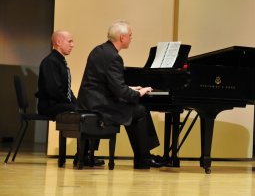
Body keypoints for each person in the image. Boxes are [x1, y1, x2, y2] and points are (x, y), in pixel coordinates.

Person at [77, 20, 165, 169]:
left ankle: (143, 157)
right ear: (122, 38)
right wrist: (139, 92)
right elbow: (120, 91)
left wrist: (130, 88)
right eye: (130, 35)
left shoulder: (99, 50)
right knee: (140, 110)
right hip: (100, 105)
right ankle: (144, 158)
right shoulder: (114, 57)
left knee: (133, 107)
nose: (132, 38)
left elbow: (106, 83)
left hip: (89, 100)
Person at [36, 30, 104, 167]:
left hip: (59, 102)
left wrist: (77, 103)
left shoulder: (59, 61)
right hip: (50, 105)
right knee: (89, 114)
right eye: (70, 41)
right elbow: (54, 90)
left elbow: (66, 89)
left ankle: (85, 154)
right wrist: (74, 106)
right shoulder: (50, 62)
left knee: (91, 111)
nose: (73, 45)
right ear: (58, 42)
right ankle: (83, 155)